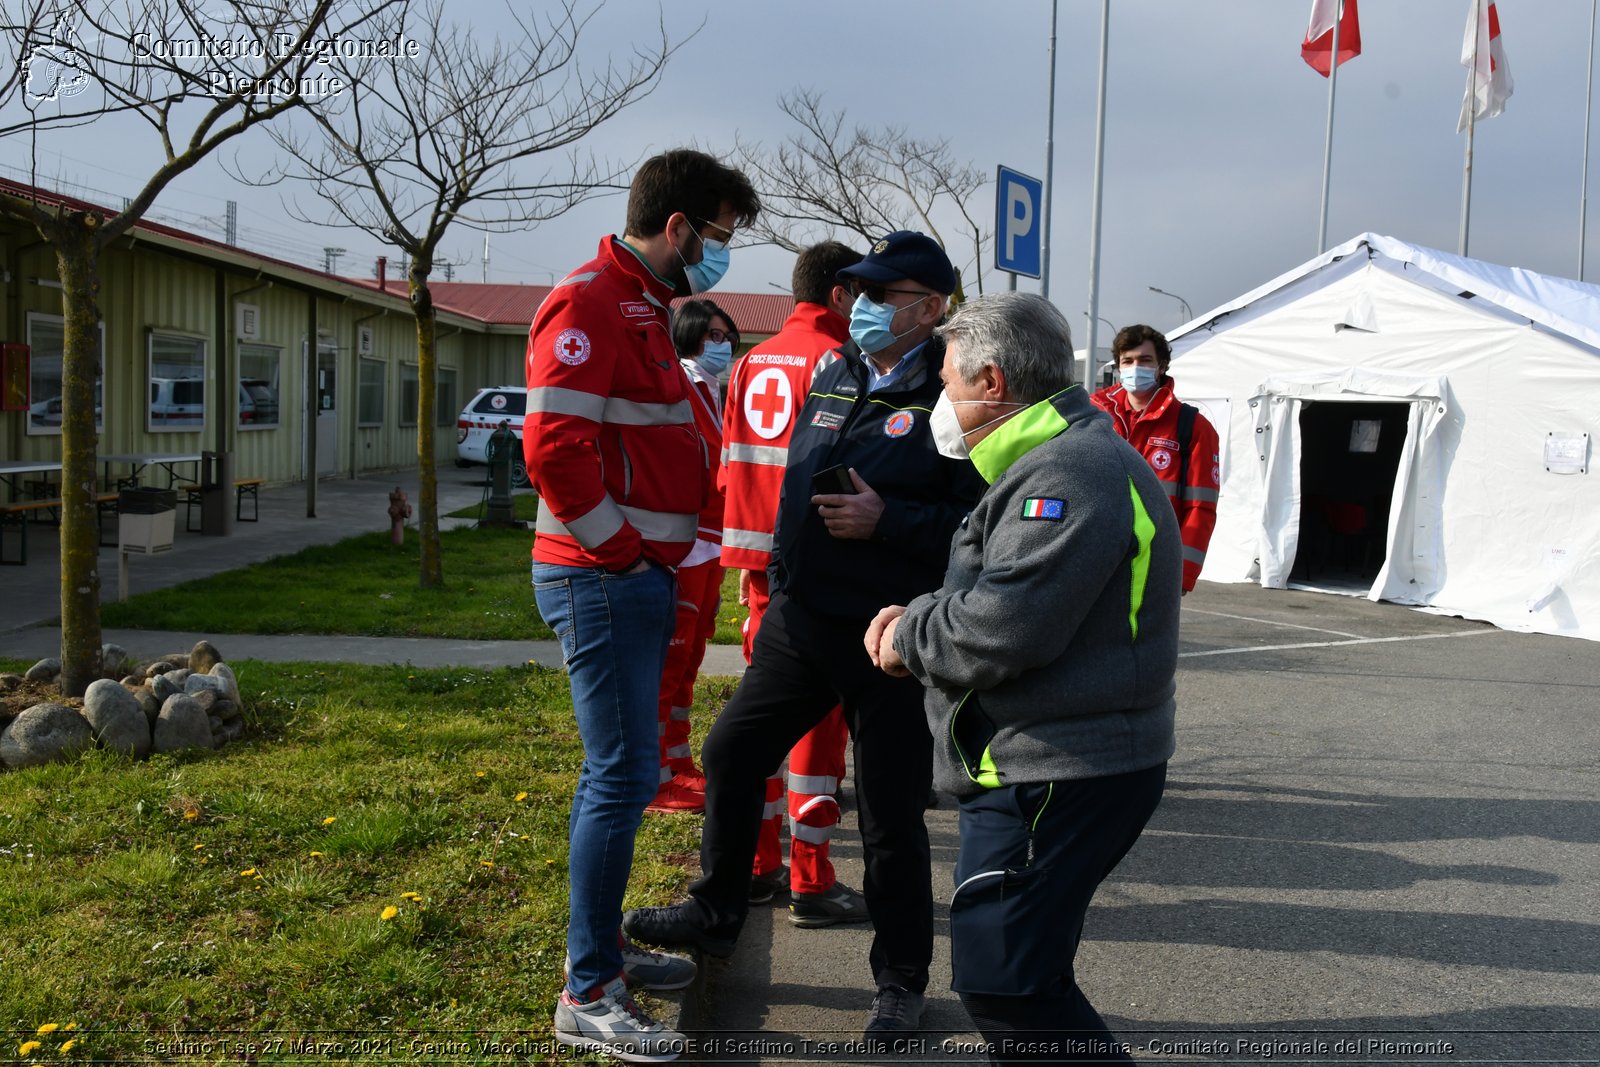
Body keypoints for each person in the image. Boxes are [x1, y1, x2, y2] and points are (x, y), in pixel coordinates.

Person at [624, 231, 986, 1040]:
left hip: (891, 637)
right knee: (731, 751)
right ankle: (718, 910)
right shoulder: (836, 370)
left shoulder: (953, 397)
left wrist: (889, 520)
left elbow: (976, 523)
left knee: (889, 818)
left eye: (882, 295)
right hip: (804, 618)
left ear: (929, 308)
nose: (860, 307)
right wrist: (785, 580)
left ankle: (900, 981)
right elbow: (795, 480)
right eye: (857, 291)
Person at [864, 292, 1181, 1065]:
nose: (942, 399)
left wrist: (912, 633)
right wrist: (933, 612)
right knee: (1025, 969)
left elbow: (1007, 624)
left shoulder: (1072, 470)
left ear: (994, 381)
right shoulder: (1058, 454)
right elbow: (1000, 589)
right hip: (1045, 761)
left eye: (948, 381)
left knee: (1007, 981)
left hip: (1057, 770)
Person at [524, 147, 759, 1063]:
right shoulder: (589, 301)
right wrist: (621, 552)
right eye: (720, 238)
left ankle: (605, 954)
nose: (720, 256)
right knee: (620, 777)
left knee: (618, 776)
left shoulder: (648, 308)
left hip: (634, 574)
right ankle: (587, 990)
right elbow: (553, 445)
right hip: (605, 576)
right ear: (678, 228)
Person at [719, 240, 867, 924]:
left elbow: (730, 464)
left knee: (759, 718)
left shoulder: (749, 359)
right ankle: (812, 875)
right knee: (817, 724)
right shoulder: (838, 361)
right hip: (811, 566)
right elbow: (834, 465)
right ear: (839, 295)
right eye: (862, 294)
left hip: (752, 564)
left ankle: (757, 863)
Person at [644, 298, 739, 814]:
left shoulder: (712, 387)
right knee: (671, 658)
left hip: (708, 539)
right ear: (688, 335)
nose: (719, 344)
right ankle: (655, 777)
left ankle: (676, 761)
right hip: (684, 540)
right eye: (710, 334)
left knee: (691, 656)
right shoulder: (681, 384)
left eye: (726, 335)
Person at [1090, 323, 1221, 593]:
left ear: (1161, 366)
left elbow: (1202, 509)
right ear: (1118, 367)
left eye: (1145, 360)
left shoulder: (1193, 427)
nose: (1135, 367)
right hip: (1092, 557)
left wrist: (1182, 575)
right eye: (1128, 361)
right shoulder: (1092, 414)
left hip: (1154, 567)